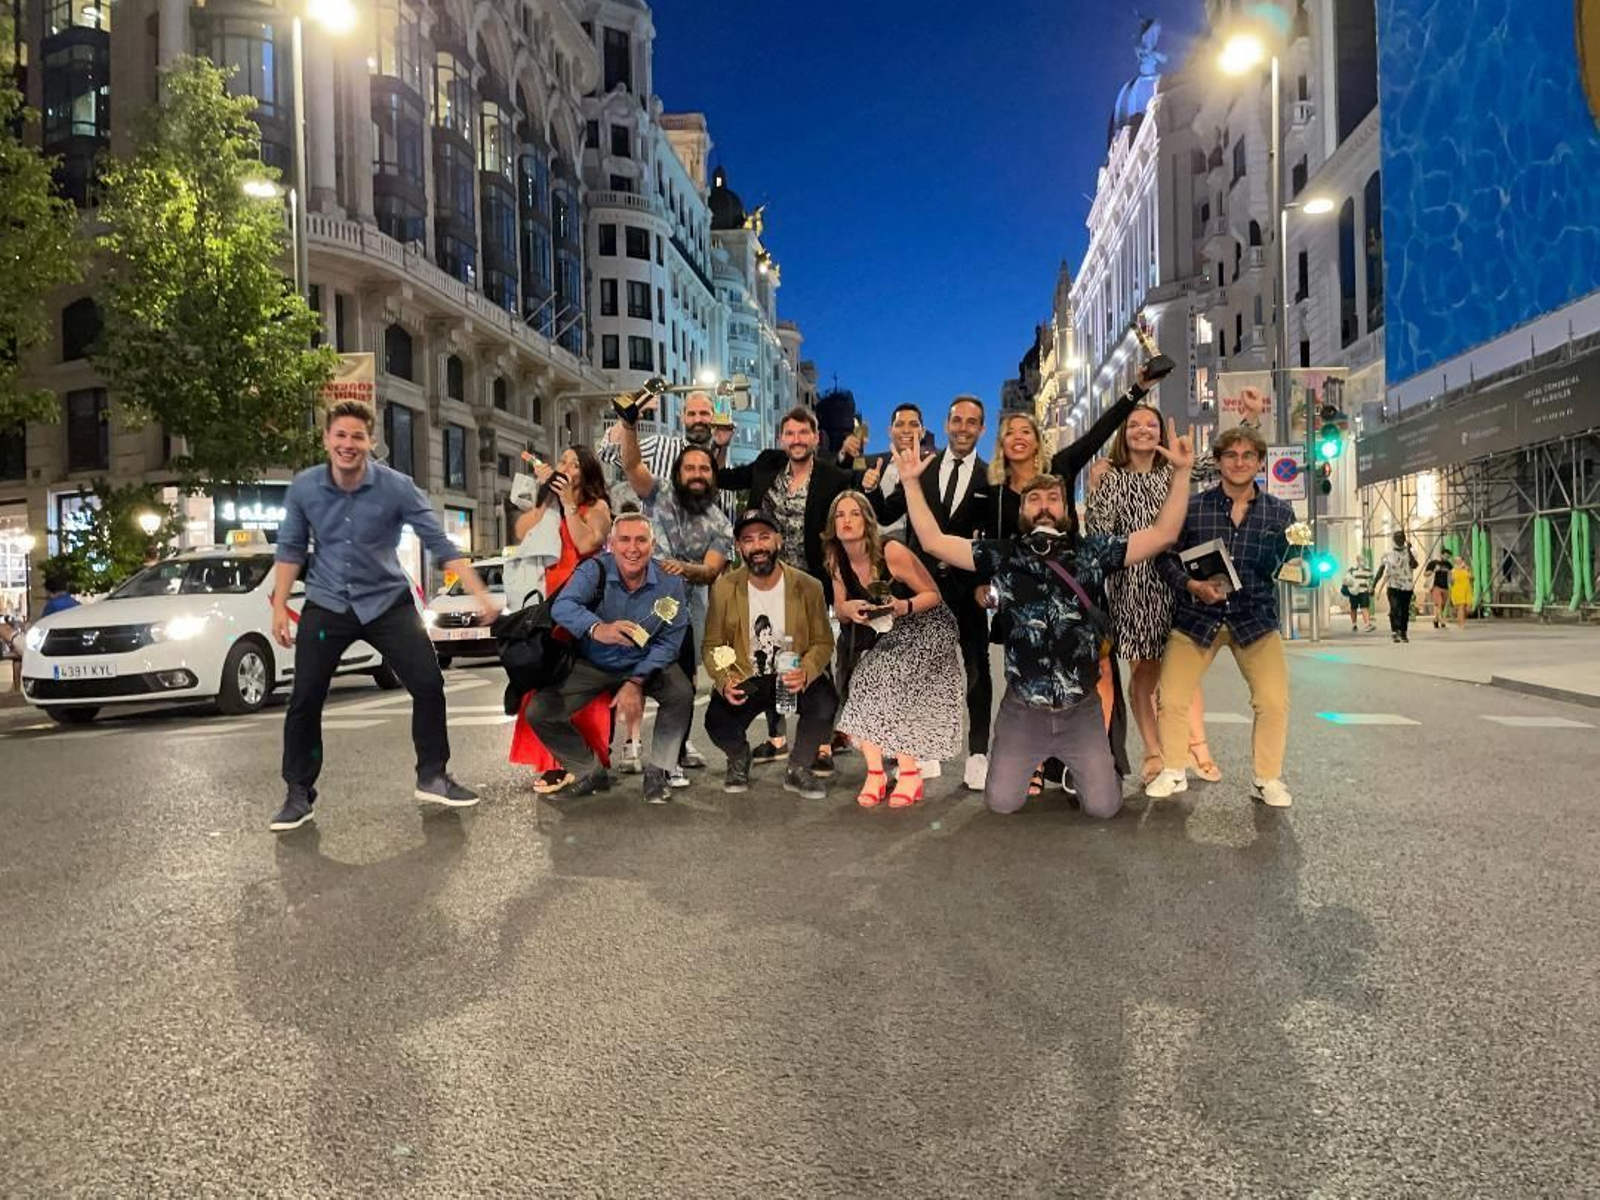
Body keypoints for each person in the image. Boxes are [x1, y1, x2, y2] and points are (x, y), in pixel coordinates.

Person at [897, 422, 1194, 817]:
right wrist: (911, 484)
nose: (1044, 506)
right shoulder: (1002, 554)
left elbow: (1162, 533)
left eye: (1054, 498)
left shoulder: (1093, 552)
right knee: (1001, 803)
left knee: (1104, 808)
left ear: (1067, 509)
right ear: (1021, 511)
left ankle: (1079, 766)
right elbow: (934, 541)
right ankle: (1028, 758)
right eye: (1033, 499)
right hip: (1023, 707)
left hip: (1081, 707)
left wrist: (1183, 474)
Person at [269, 399, 499, 833]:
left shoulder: (398, 487)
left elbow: (439, 543)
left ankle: (433, 775)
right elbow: (290, 549)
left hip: (386, 602)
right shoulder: (305, 487)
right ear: (326, 439)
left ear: (371, 442)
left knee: (429, 683)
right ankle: (298, 793)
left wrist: (479, 593)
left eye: (357, 436)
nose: (348, 444)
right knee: (305, 698)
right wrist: (281, 605)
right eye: (340, 435)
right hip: (328, 603)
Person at [1145, 425, 1296, 808]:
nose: (1240, 462)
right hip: (1198, 615)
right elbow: (1164, 557)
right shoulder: (1194, 508)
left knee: (1273, 700)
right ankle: (1174, 770)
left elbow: (1293, 562)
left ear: (1260, 463)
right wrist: (1191, 586)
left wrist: (1302, 567)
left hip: (1255, 616)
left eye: (1248, 456)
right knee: (1172, 697)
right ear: (1218, 462)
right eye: (1231, 455)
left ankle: (1267, 779)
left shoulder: (1281, 512)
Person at [1085, 404, 1223, 786]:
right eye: (1134, 424)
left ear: (1161, 432)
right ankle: (1152, 751)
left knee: (1183, 670)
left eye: (1151, 424)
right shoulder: (1112, 478)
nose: (1143, 430)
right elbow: (1098, 533)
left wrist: (1248, 418)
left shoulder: (1174, 470)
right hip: (1132, 586)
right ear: (1123, 434)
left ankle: (1198, 746)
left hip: (1178, 581)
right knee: (1145, 672)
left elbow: (1218, 460)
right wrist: (1095, 487)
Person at [869, 396, 992, 791]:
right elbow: (886, 515)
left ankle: (978, 754)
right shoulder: (921, 469)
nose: (962, 427)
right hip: (921, 587)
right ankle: (925, 753)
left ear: (981, 430)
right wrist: (870, 487)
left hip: (968, 590)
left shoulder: (991, 478)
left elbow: (997, 538)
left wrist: (990, 585)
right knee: (921, 670)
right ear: (946, 423)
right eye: (957, 420)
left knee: (975, 670)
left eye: (972, 422)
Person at [534, 513, 694, 804]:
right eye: (624, 540)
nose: (632, 548)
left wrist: (635, 681)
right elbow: (563, 606)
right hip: (594, 663)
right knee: (540, 711)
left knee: (681, 693)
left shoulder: (670, 583)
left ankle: (658, 772)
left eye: (641, 540)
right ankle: (589, 772)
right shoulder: (592, 570)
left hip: (646, 662)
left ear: (653, 544)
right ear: (611, 544)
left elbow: (671, 642)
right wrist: (597, 628)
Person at [615, 406, 732, 779]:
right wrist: (629, 425)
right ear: (678, 473)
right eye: (690, 469)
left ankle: (672, 756)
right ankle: (627, 746)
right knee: (626, 673)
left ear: (712, 476)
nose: (697, 475)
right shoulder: (659, 492)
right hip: (638, 598)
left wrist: (682, 570)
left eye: (704, 470)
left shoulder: (720, 523)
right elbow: (633, 466)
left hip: (681, 605)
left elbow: (712, 570)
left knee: (683, 682)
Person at [826, 492, 962, 808]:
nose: (847, 520)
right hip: (892, 632)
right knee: (862, 681)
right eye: (840, 515)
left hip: (929, 625)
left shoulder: (891, 552)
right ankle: (876, 773)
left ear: (868, 520)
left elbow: (933, 595)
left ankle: (909, 772)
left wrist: (903, 605)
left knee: (891, 680)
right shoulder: (837, 559)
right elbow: (840, 607)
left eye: (855, 514)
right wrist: (851, 607)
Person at [701, 509, 837, 800]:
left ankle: (799, 767)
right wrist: (725, 678)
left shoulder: (808, 586)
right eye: (748, 540)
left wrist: (807, 670)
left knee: (825, 701)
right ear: (739, 547)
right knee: (716, 719)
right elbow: (713, 644)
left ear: (778, 541)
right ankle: (739, 757)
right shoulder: (725, 588)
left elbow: (824, 641)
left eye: (764, 537)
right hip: (750, 677)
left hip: (790, 675)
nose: (758, 546)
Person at [505, 445, 613, 790]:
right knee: (543, 679)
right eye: (562, 461)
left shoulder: (597, 508)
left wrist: (568, 503)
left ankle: (581, 758)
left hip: (580, 603)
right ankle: (551, 759)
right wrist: (541, 497)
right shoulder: (548, 504)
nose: (565, 466)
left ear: (588, 472)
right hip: (544, 602)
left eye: (574, 463)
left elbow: (584, 545)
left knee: (575, 682)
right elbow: (521, 531)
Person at [713, 405, 859, 583]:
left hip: (812, 583)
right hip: (762, 577)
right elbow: (723, 479)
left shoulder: (833, 478)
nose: (796, 440)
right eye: (789, 434)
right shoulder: (767, 463)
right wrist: (722, 446)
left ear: (816, 438)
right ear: (781, 439)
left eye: (803, 433)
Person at [599, 387, 741, 514]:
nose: (698, 419)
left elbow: (726, 515)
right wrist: (632, 412)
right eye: (691, 414)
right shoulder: (659, 446)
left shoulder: (725, 465)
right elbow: (608, 452)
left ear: (714, 417)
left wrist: (722, 448)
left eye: (704, 413)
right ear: (683, 418)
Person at [859, 403, 926, 544]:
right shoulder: (870, 463)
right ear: (890, 431)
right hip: (870, 553)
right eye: (899, 424)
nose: (906, 430)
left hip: (913, 556)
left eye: (913, 424)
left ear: (923, 431)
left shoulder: (932, 468)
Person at [1373, 532, 1419, 643]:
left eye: (1402, 538)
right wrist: (1373, 584)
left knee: (1404, 610)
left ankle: (1403, 632)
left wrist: (1408, 551)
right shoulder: (1388, 553)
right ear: (1394, 539)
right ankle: (1395, 631)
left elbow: (1414, 565)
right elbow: (1381, 570)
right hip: (1392, 585)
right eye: (1397, 538)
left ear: (1404, 539)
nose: (1400, 540)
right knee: (1394, 608)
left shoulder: (1411, 552)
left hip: (1407, 586)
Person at [1341, 559, 1376, 632]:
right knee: (1353, 608)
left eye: (1363, 560)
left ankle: (1367, 624)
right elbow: (1346, 579)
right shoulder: (1352, 570)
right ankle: (1354, 624)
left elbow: (1371, 580)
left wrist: (1371, 587)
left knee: (1364, 607)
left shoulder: (1368, 571)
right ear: (1357, 561)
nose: (1362, 562)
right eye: (1360, 560)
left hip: (1364, 591)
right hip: (1354, 592)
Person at [1423, 549, 1454, 629]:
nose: (1447, 558)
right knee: (1439, 603)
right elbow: (1425, 574)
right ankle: (1442, 621)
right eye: (1446, 556)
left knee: (1441, 605)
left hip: (1445, 586)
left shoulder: (1448, 564)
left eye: (1448, 557)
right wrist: (1434, 570)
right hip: (1435, 586)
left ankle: (1436, 619)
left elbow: (1450, 574)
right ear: (1441, 554)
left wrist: (1452, 580)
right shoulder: (1433, 563)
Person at [1450, 552, 1474, 629]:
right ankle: (1461, 624)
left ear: (1462, 561)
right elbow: (1451, 581)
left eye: (1459, 560)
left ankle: (1461, 620)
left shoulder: (1467, 569)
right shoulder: (1453, 570)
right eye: (1456, 561)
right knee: (1461, 607)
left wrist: (1469, 572)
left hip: (1467, 590)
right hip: (1458, 590)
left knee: (1467, 608)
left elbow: (1472, 578)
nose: (1458, 562)